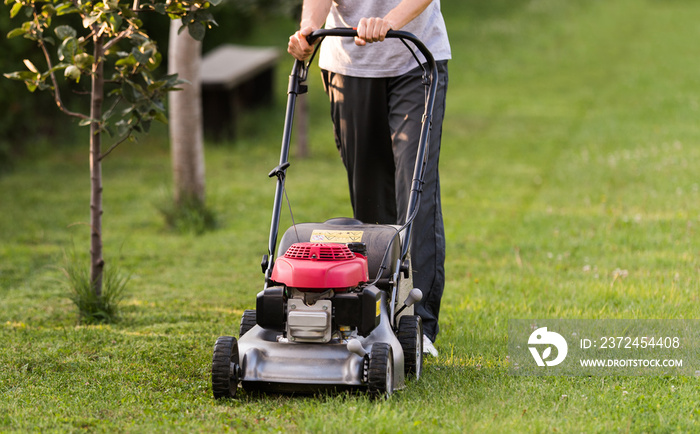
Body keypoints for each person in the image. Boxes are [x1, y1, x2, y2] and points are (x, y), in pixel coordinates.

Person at [288, 0, 450, 357]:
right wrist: (308, 29)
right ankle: (377, 315)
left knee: (415, 190)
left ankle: (419, 325)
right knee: (370, 201)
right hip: (347, 65)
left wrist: (388, 22)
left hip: (414, 58)